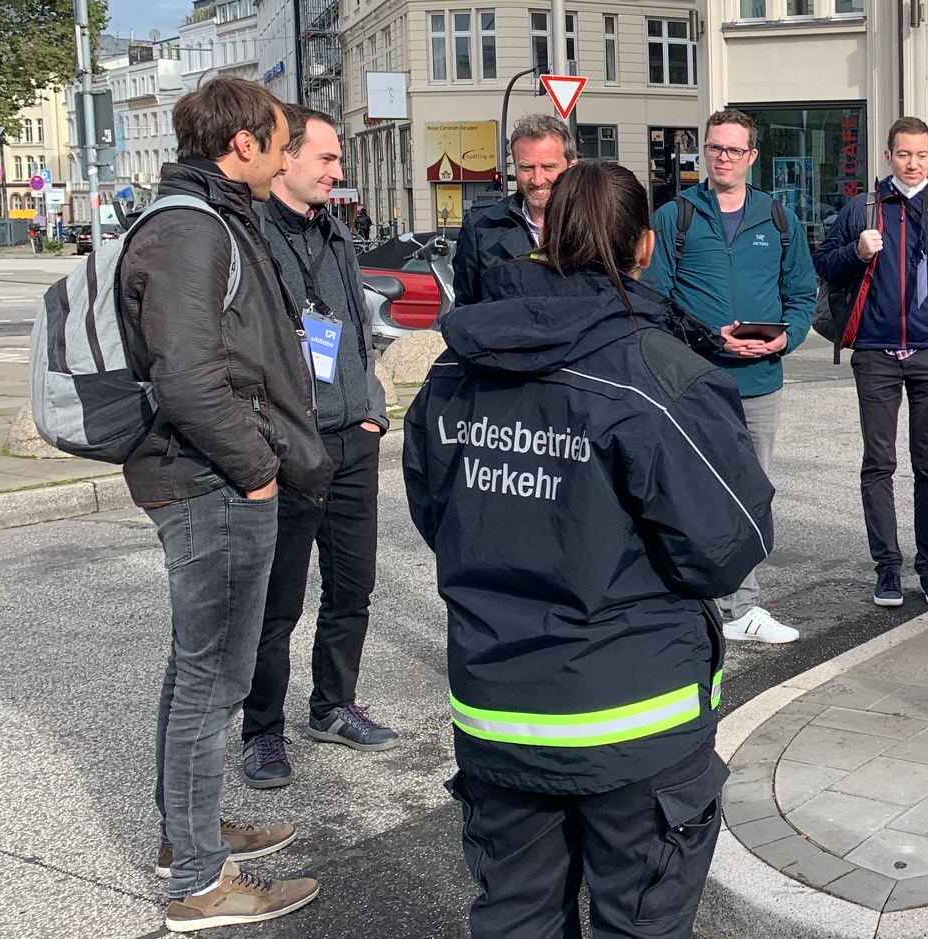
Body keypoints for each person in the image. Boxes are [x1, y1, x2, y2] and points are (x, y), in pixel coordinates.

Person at [403, 160, 773, 939]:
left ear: (546, 236)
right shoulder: (658, 373)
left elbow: (438, 515)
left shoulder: (455, 371)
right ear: (644, 248)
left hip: (499, 704)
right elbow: (728, 543)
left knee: (516, 920)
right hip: (635, 719)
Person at [120, 76, 329, 931]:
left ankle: (190, 833)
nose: (285, 156)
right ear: (242, 144)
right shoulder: (188, 228)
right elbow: (189, 377)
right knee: (215, 681)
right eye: (279, 141)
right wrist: (257, 471)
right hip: (209, 480)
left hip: (210, 474)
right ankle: (200, 884)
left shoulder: (202, 216)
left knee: (197, 670)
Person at [241, 104, 397, 790]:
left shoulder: (336, 233)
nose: (339, 171)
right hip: (284, 446)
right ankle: (262, 730)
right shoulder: (247, 235)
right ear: (287, 159)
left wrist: (371, 411)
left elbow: (354, 332)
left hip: (350, 439)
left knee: (352, 588)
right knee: (276, 602)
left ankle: (331, 705)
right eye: (328, 159)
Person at [643, 108, 815, 645]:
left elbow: (803, 295)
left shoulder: (778, 218)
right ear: (704, 153)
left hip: (761, 381)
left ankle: (742, 605)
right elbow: (657, 300)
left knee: (752, 492)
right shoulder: (676, 217)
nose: (723, 157)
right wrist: (712, 339)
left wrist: (788, 335)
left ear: (751, 157)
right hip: (698, 383)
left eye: (734, 150)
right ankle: (701, 603)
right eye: (715, 148)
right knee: (693, 491)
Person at [814, 116, 928, 609]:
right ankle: (887, 569)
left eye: (922, 154)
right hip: (876, 354)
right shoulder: (862, 209)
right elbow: (823, 265)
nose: (913, 163)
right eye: (904, 154)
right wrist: (855, 250)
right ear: (888, 156)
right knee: (879, 465)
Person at [451, 114, 578, 307]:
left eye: (548, 167)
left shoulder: (595, 223)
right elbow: (466, 310)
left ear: (572, 166)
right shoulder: (481, 228)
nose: (537, 179)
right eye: (526, 167)